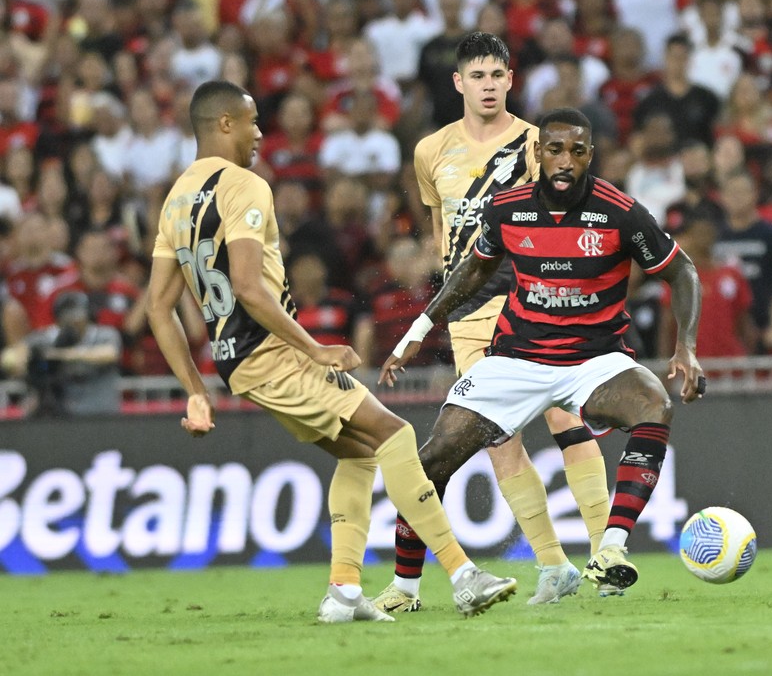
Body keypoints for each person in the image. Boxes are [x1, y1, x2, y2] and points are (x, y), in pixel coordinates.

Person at [146, 79, 516, 624]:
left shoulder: (176, 200)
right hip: (274, 350)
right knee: (395, 433)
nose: (260, 132)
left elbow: (159, 307)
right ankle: (463, 575)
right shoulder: (244, 185)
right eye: (251, 121)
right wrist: (314, 348)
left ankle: (343, 592)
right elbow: (248, 286)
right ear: (224, 124)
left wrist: (195, 391)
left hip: (236, 361)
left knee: (359, 453)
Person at [373, 108, 705, 601]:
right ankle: (405, 587)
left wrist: (687, 347)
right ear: (537, 152)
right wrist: (421, 327)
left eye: (577, 151)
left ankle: (611, 548)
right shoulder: (507, 209)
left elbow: (682, 272)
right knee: (431, 461)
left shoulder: (619, 211)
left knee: (654, 404)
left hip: (594, 360)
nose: (565, 160)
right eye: (555, 149)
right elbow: (473, 269)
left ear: (590, 155)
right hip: (517, 359)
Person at [375, 34, 611, 612]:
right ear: (459, 82)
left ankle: (607, 554)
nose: (487, 85)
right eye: (476, 75)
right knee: (499, 440)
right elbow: (442, 231)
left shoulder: (536, 143)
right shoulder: (430, 151)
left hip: (534, 297)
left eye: (496, 75)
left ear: (510, 80)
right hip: (469, 313)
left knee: (564, 417)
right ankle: (554, 565)